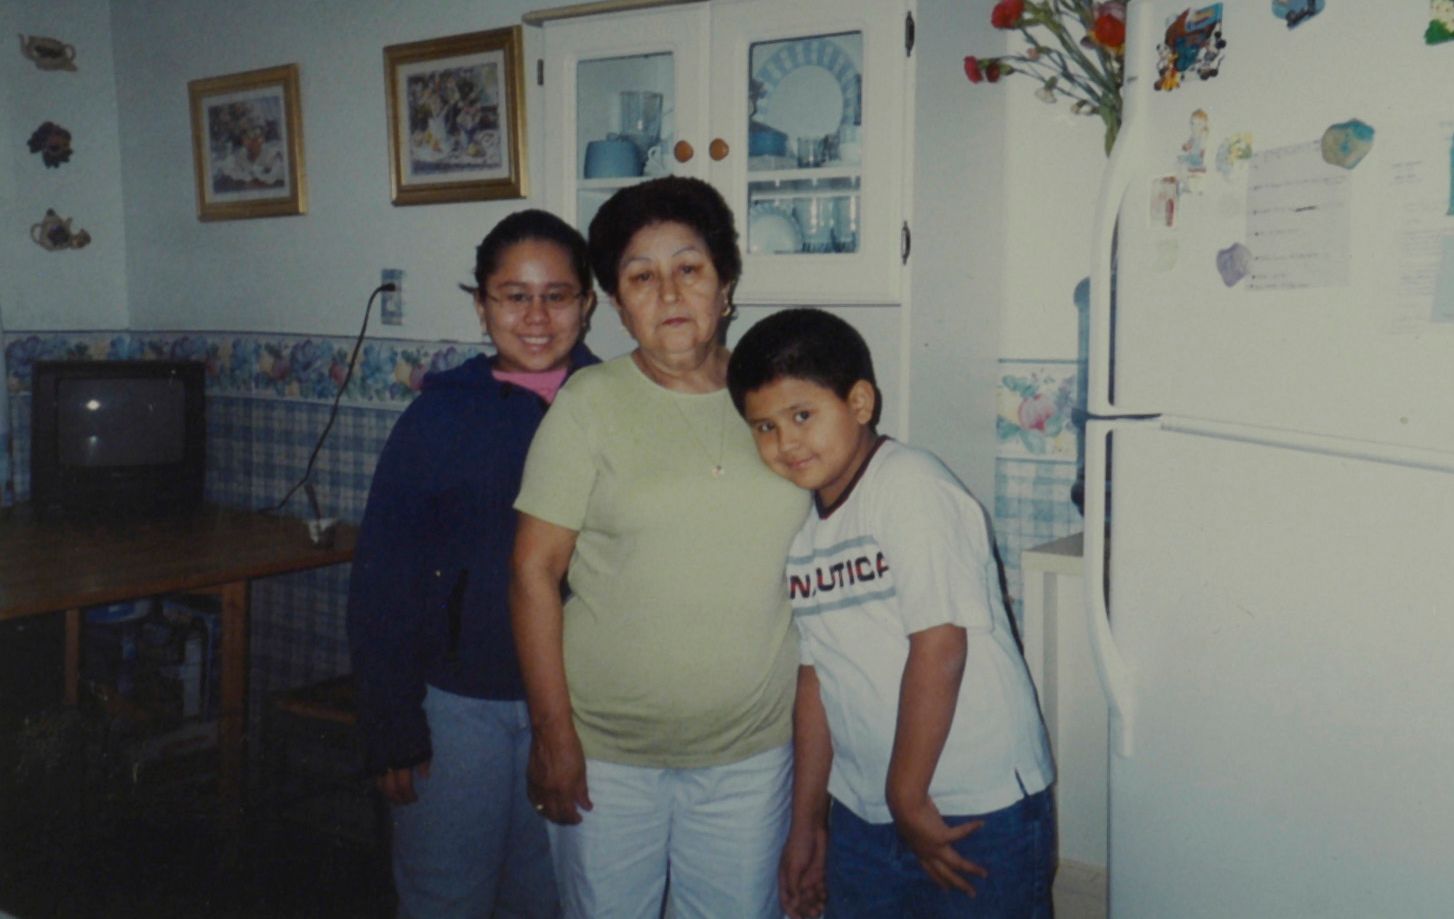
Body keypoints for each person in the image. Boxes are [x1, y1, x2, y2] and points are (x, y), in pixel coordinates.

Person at [509, 176, 810, 919]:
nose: (670, 292)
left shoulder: (781, 399)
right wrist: (553, 735)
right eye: (642, 277)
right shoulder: (588, 405)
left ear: (726, 286)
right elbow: (532, 572)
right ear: (617, 304)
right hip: (605, 755)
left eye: (690, 268)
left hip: (750, 754)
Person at [726, 308, 1057, 919]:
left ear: (859, 402)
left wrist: (906, 796)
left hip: (973, 804)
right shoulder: (805, 529)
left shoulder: (909, 485)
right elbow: (816, 678)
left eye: (802, 416)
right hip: (866, 807)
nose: (786, 443)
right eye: (764, 426)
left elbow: (940, 645)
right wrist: (808, 821)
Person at [347, 209, 599, 919]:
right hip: (457, 709)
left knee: (544, 898)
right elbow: (383, 579)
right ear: (482, 305)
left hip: (586, 705)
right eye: (514, 296)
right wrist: (391, 724)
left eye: (556, 295)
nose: (537, 317)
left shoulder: (615, 406)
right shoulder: (438, 417)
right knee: (445, 893)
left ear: (587, 303)